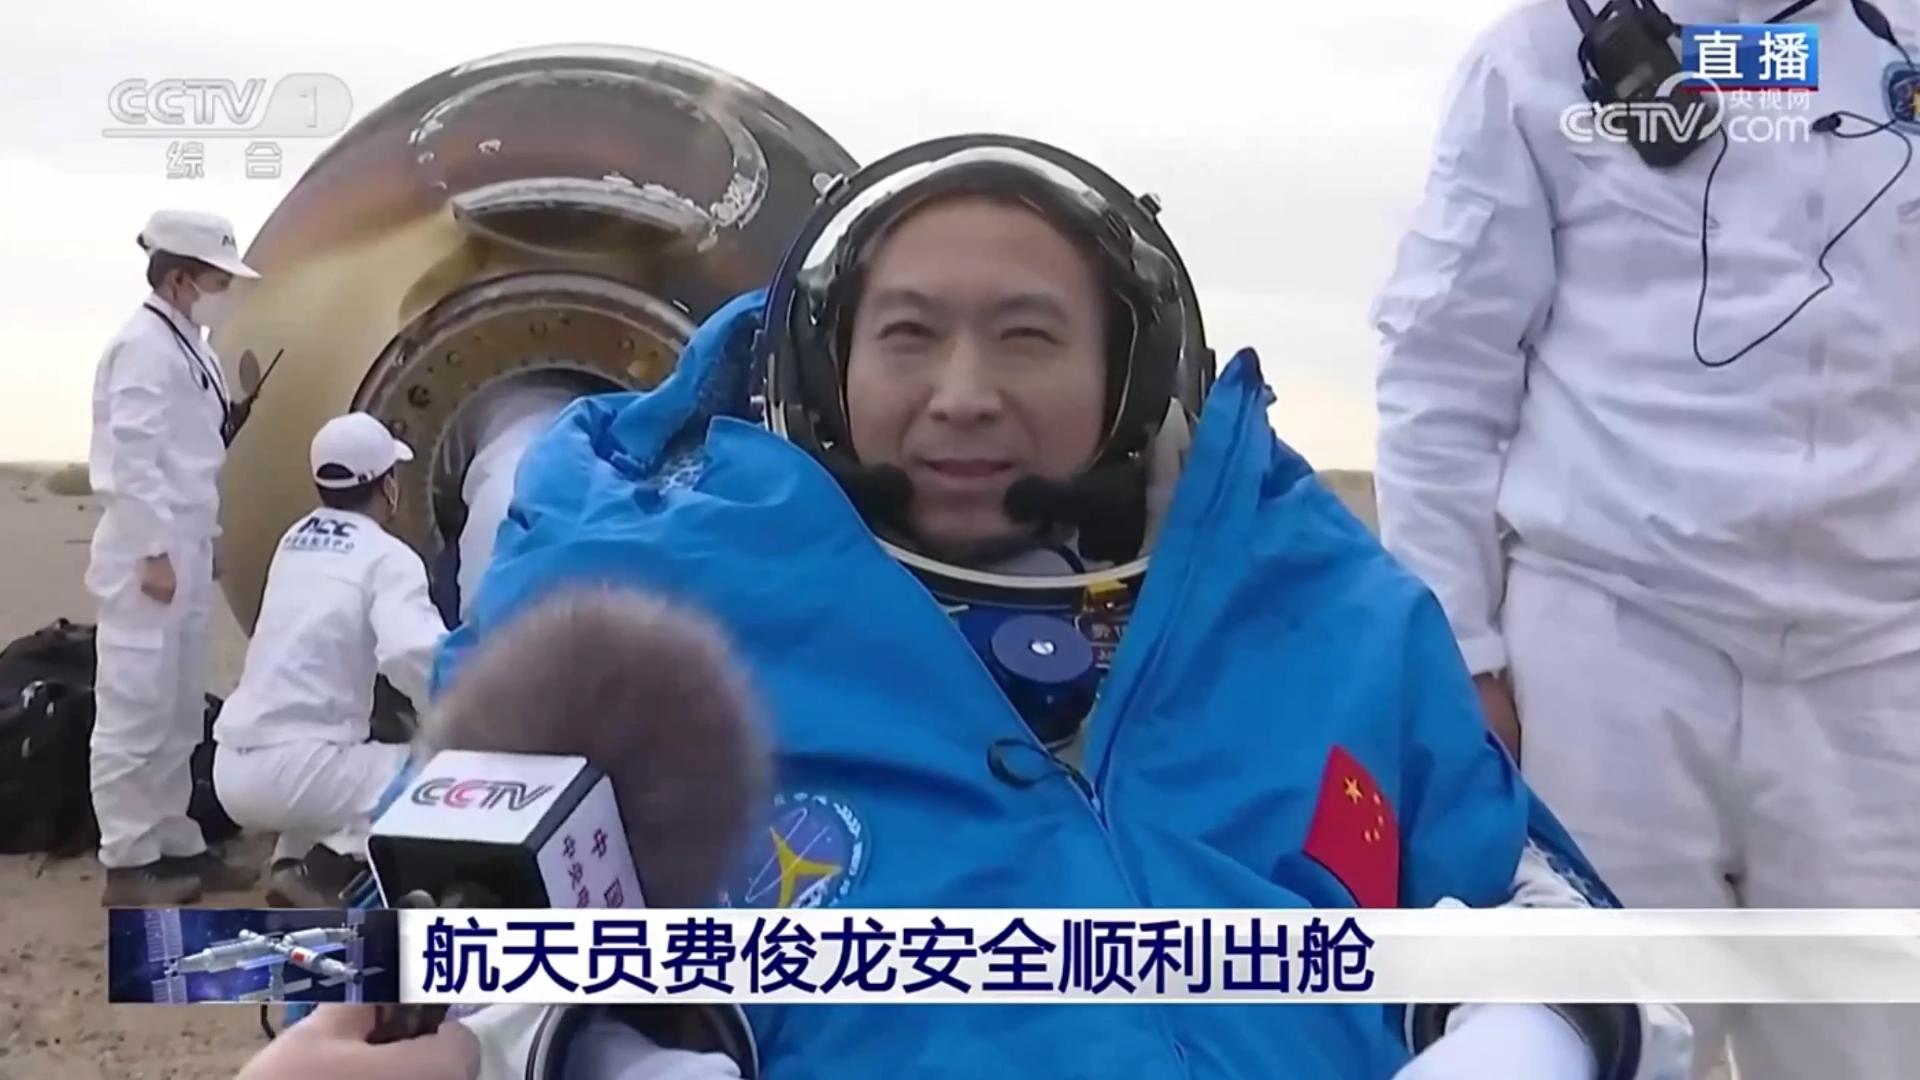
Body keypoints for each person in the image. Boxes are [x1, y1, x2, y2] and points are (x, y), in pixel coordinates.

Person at [229, 134, 1691, 1079]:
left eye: (1030, 335)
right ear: (826, 367)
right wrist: (580, 1047)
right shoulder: (633, 621)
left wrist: (1528, 1036)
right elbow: (424, 955)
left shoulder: (1323, 610)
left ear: (1128, 373)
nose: (965, 393)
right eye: (909, 335)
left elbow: (1534, 899)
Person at [1370, 2, 1920, 1077]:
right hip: (1610, 645)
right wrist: (1460, 660)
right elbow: (1442, 363)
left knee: (1877, 1047)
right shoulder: (1534, 57)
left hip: (1881, 666)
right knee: (1601, 1033)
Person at [86, 208, 262, 905]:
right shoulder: (142, 347)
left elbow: (192, 457)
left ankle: (175, 842)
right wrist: (155, 551)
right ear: (181, 278)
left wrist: (203, 542)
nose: (225, 292)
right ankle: (129, 861)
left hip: (184, 545)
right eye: (218, 279)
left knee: (179, 709)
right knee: (135, 707)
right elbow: (131, 461)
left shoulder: (190, 346)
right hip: (146, 555)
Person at [212, 412, 449, 908]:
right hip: (295, 769)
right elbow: (410, 652)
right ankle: (326, 870)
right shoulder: (389, 557)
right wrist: (458, 715)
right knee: (431, 775)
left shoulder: (293, 540)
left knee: (341, 764)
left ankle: (288, 862)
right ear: (387, 486)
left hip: (232, 766)